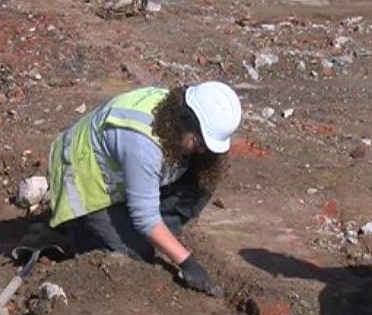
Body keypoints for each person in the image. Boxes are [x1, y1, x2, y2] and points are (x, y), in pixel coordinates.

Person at [47, 81, 241, 295]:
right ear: (184, 121)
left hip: (123, 163)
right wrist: (187, 262)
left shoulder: (171, 114)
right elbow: (145, 217)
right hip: (82, 172)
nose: (202, 150)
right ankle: (86, 231)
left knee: (202, 179)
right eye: (198, 142)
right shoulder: (143, 145)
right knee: (135, 258)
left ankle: (147, 232)